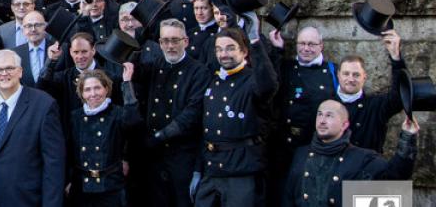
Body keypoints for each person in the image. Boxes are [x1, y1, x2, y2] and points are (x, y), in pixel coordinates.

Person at [193, 26, 278, 207]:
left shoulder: (252, 80)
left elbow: (268, 84)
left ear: (244, 51)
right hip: (212, 169)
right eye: (219, 49)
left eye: (230, 48)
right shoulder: (214, 81)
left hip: (242, 171)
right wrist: (198, 170)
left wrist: (255, 40)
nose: (224, 54)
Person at [282, 100, 417, 207]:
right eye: (320, 114)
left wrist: (407, 137)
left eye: (329, 115)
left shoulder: (361, 158)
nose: (322, 120)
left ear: (344, 125)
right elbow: (288, 198)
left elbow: (396, 175)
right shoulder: (301, 154)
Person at [0, 49, 65, 207]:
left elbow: (54, 163)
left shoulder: (44, 104)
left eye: (9, 68)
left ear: (20, 72)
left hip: (26, 199)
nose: (4, 74)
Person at [135, 19, 212, 207]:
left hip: (181, 155)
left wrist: (162, 135)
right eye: (165, 41)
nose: (170, 46)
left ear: (185, 41)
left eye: (175, 40)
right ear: (159, 43)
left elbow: (192, 113)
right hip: (153, 155)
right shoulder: (154, 65)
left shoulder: (198, 71)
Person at [267, 26, 337, 205]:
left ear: (321, 46)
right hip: (284, 150)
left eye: (312, 44)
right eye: (302, 43)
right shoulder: (285, 67)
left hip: (317, 148)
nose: (306, 48)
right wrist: (277, 49)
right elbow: (267, 85)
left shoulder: (333, 72)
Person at [67, 68, 141, 207]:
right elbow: (69, 152)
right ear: (82, 93)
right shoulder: (75, 117)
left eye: (97, 88)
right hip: (81, 188)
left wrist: (126, 84)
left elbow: (133, 123)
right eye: (87, 89)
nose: (93, 94)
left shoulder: (118, 114)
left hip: (111, 187)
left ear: (106, 89)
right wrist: (68, 181)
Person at [332, 29, 406, 153]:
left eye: (356, 75)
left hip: (367, 170)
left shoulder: (376, 106)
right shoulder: (325, 103)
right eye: (346, 74)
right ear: (338, 75)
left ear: (364, 77)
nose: (350, 79)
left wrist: (396, 58)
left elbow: (399, 98)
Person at [14, 10, 51, 87]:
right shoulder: (15, 53)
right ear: (23, 30)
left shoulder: (58, 49)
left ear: (45, 26)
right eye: (29, 26)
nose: (33, 29)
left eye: (37, 25)